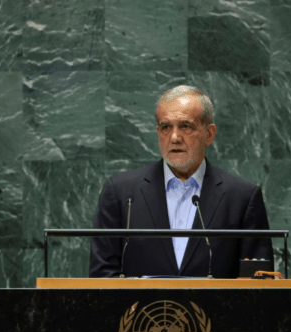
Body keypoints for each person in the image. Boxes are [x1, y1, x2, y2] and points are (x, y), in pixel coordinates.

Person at [89, 85, 273, 278]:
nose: (175, 138)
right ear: (158, 132)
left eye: (185, 126)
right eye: (166, 127)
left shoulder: (242, 197)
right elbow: (102, 276)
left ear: (209, 134)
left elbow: (258, 282)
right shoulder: (121, 193)